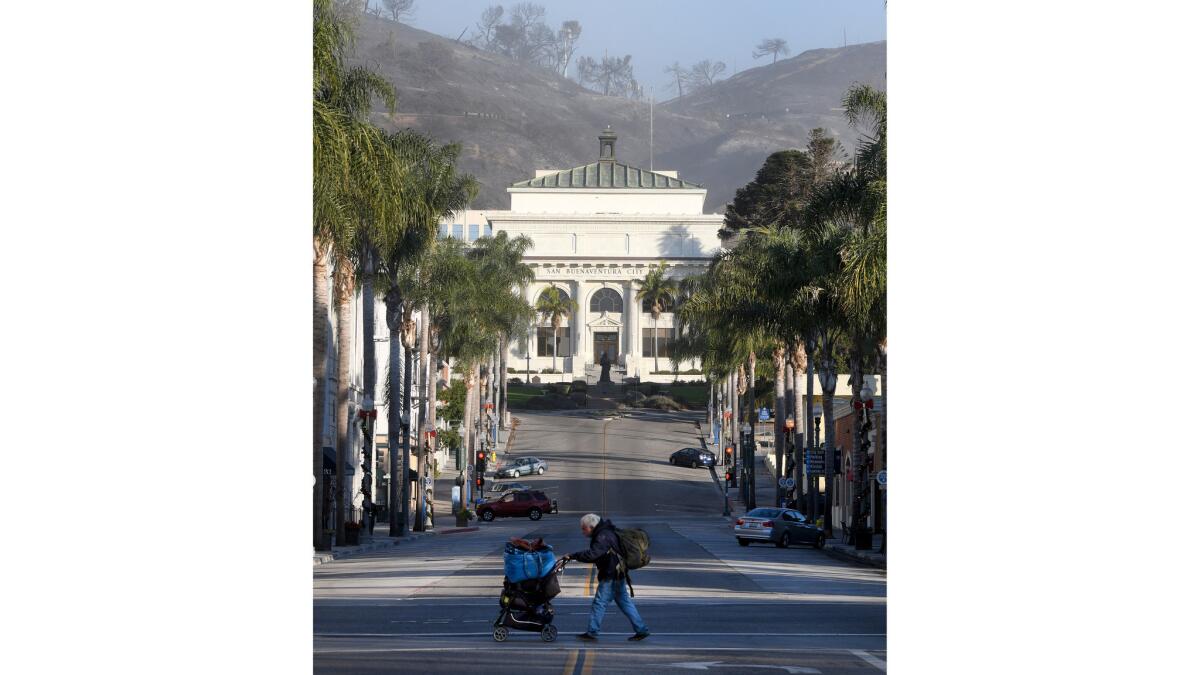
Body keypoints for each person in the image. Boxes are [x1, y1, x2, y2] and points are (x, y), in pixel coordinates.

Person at [561, 513, 650, 642]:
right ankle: (641, 629)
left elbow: (593, 554)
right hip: (618, 572)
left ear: (591, 527)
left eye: (583, 528)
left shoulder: (602, 536)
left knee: (599, 603)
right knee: (624, 602)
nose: (582, 531)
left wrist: (573, 555)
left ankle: (592, 632)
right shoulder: (606, 532)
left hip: (611, 574)